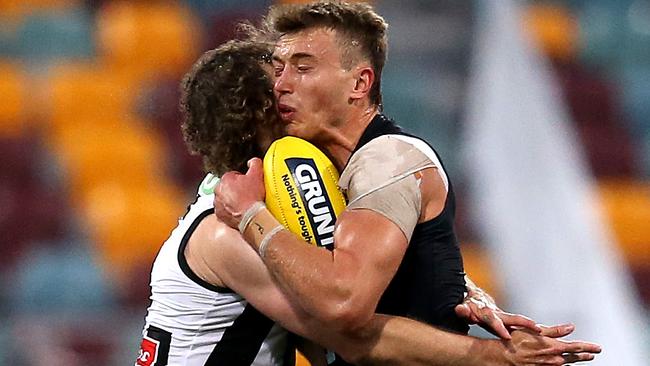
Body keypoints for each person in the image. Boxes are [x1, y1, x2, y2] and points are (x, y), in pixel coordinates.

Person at [213, 2, 601, 365]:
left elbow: (344, 302)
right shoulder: (320, 168)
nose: (281, 83)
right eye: (279, 68)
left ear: (359, 83)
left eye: (303, 67)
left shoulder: (388, 160)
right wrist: (467, 290)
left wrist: (250, 216)